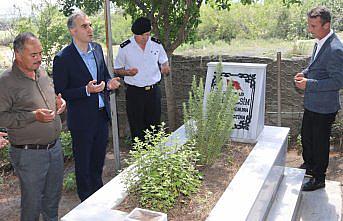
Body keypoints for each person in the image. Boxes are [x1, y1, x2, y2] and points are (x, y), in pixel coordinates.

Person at [52, 11, 120, 201]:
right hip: (81, 120)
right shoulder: (63, 58)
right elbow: (60, 92)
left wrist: (109, 83)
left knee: (98, 162)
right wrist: (86, 90)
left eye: (90, 25)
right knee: (83, 165)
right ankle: (86, 204)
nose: (90, 29)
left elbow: (104, 76)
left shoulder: (97, 49)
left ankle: (98, 199)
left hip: (101, 115)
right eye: (84, 26)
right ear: (73, 31)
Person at [0, 32, 66, 221]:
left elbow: (50, 99)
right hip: (29, 154)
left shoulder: (42, 73)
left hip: (54, 148)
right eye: (33, 55)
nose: (39, 58)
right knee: (32, 206)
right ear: (18, 54)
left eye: (40, 53)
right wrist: (32, 117)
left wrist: (59, 103)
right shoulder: (6, 82)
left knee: (52, 201)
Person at [294, 6, 343, 191]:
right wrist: (304, 73)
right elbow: (316, 68)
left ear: (326, 25)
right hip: (313, 104)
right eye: (309, 25)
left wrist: (309, 84)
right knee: (307, 138)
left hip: (325, 108)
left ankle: (318, 178)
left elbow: (338, 81)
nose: (310, 29)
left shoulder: (335, 49)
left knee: (319, 143)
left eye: (314, 26)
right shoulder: (320, 42)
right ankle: (309, 166)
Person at [114, 17, 170, 142]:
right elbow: (117, 69)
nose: (145, 38)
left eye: (147, 34)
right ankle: (140, 157)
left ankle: (154, 157)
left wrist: (165, 68)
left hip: (153, 92)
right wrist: (127, 72)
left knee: (154, 126)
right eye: (142, 35)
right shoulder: (125, 47)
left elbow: (164, 62)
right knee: (137, 126)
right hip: (135, 93)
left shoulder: (156, 44)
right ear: (135, 34)